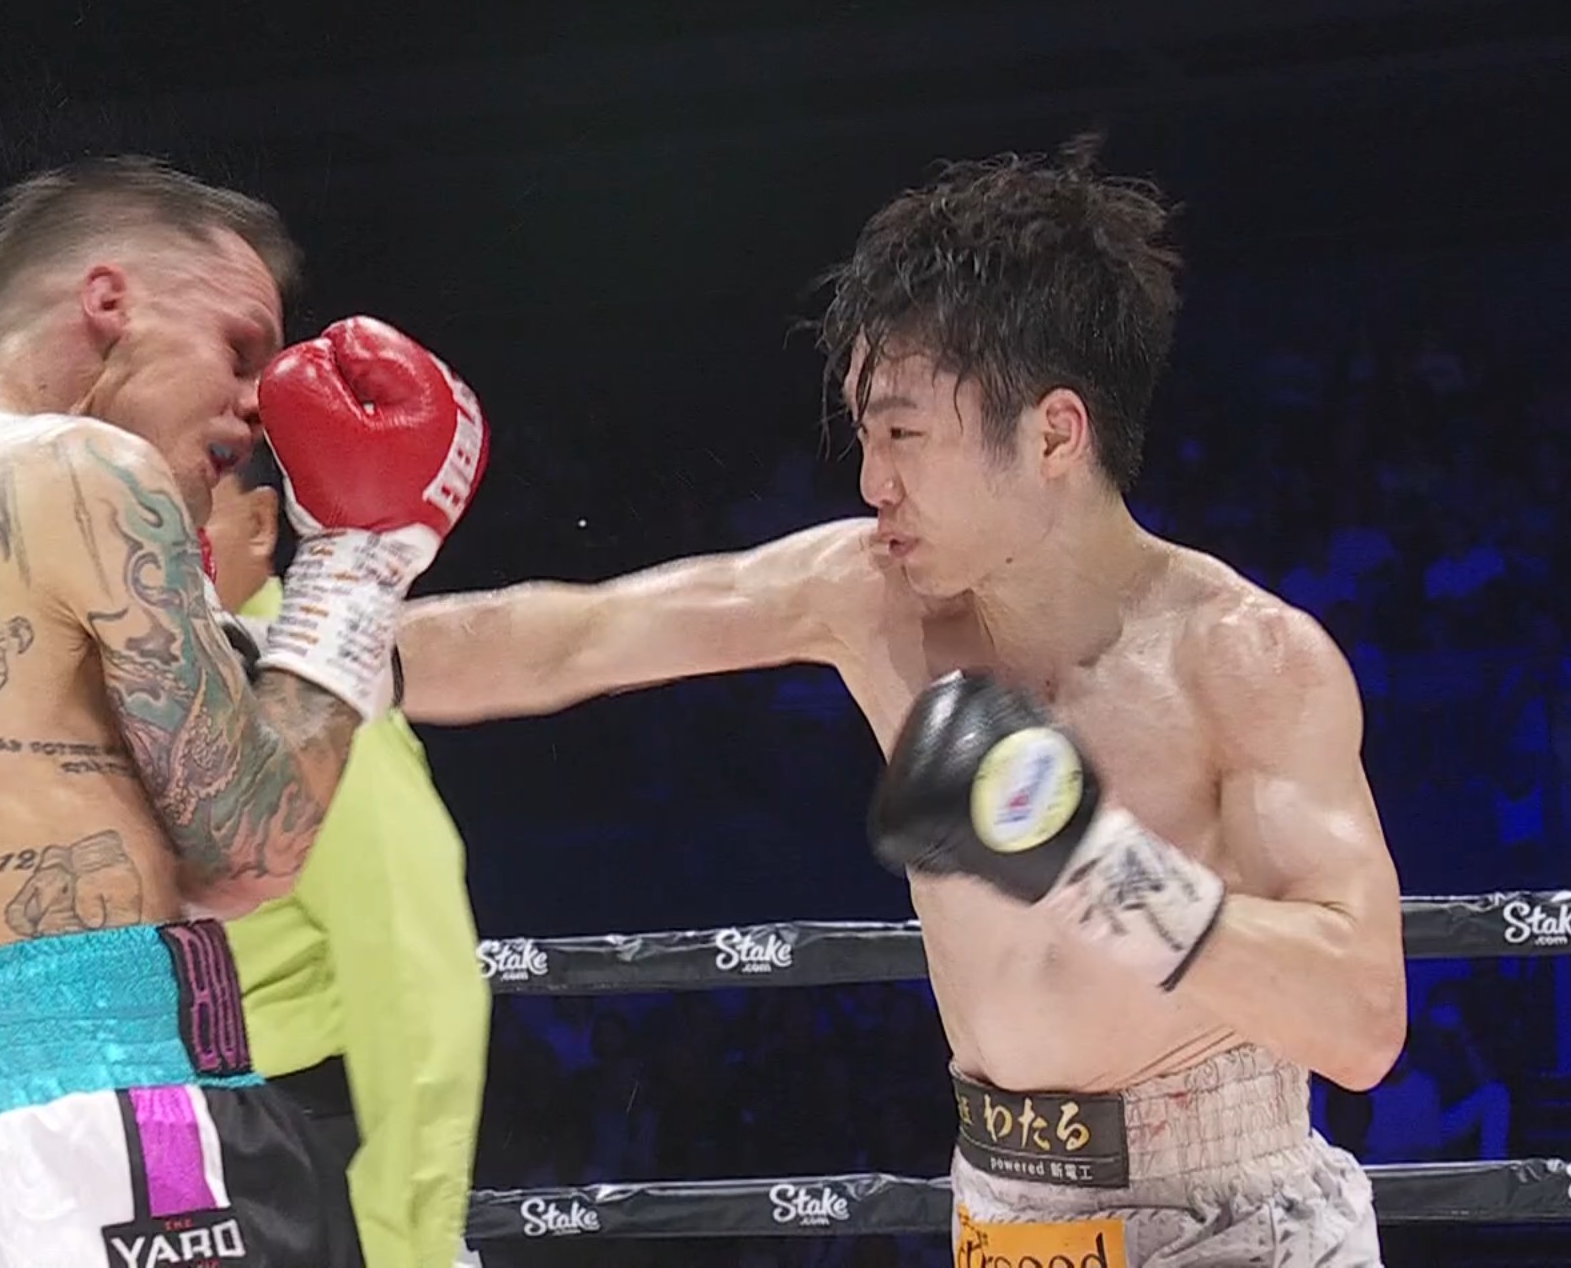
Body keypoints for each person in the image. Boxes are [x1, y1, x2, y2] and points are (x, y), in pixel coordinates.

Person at [399, 140, 1405, 1265]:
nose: (873, 480)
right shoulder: (868, 595)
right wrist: (304, 649)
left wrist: (1090, 865)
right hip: (1004, 1213)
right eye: (868, 435)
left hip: (1234, 1219)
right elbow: (575, 639)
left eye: (903, 434)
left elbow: (1361, 1020)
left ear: (1054, 433)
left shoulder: (1245, 660)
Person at [0, 157, 485, 1267]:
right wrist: (357, 564)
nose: (257, 406)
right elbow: (250, 853)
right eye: (239, 350)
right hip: (121, 1141)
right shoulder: (88, 465)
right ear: (108, 301)